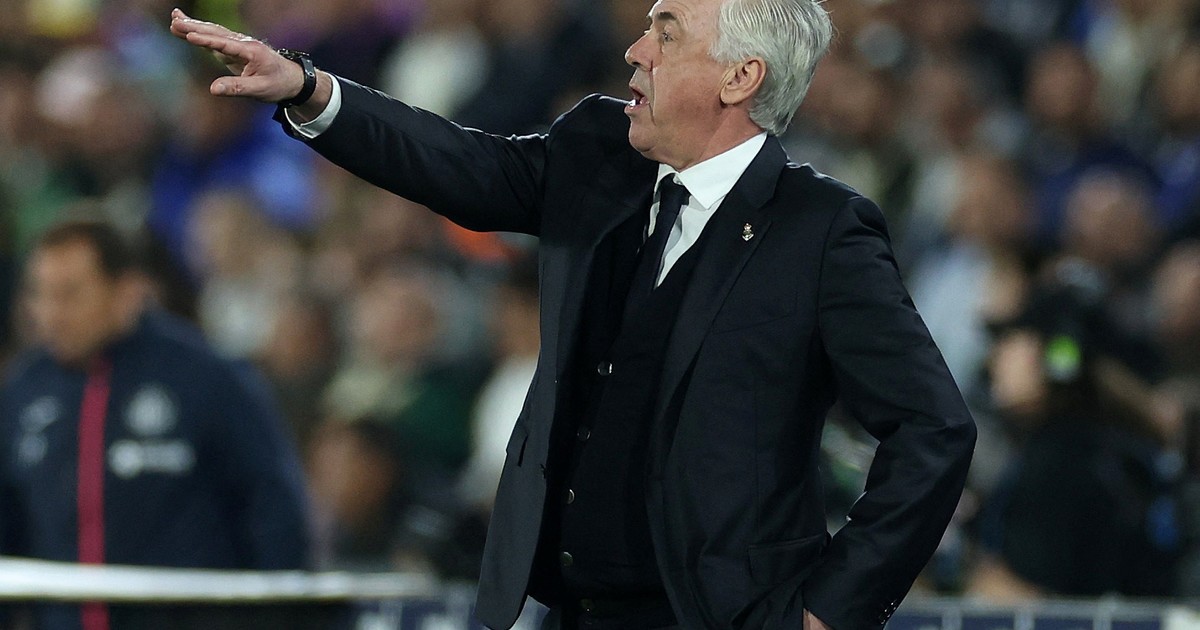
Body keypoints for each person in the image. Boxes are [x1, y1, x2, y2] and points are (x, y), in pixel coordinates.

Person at [171, 0, 977, 627]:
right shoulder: (600, 155)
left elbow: (933, 430)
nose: (637, 49)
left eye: (667, 31)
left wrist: (832, 609)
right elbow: (462, 166)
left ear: (740, 78)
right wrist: (310, 89)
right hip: (570, 611)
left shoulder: (821, 231)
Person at [0, 220, 312, 630]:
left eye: (70, 294)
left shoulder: (206, 378)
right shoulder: (23, 392)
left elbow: (273, 508)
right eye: (40, 293)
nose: (51, 314)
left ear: (127, 292)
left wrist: (276, 619)